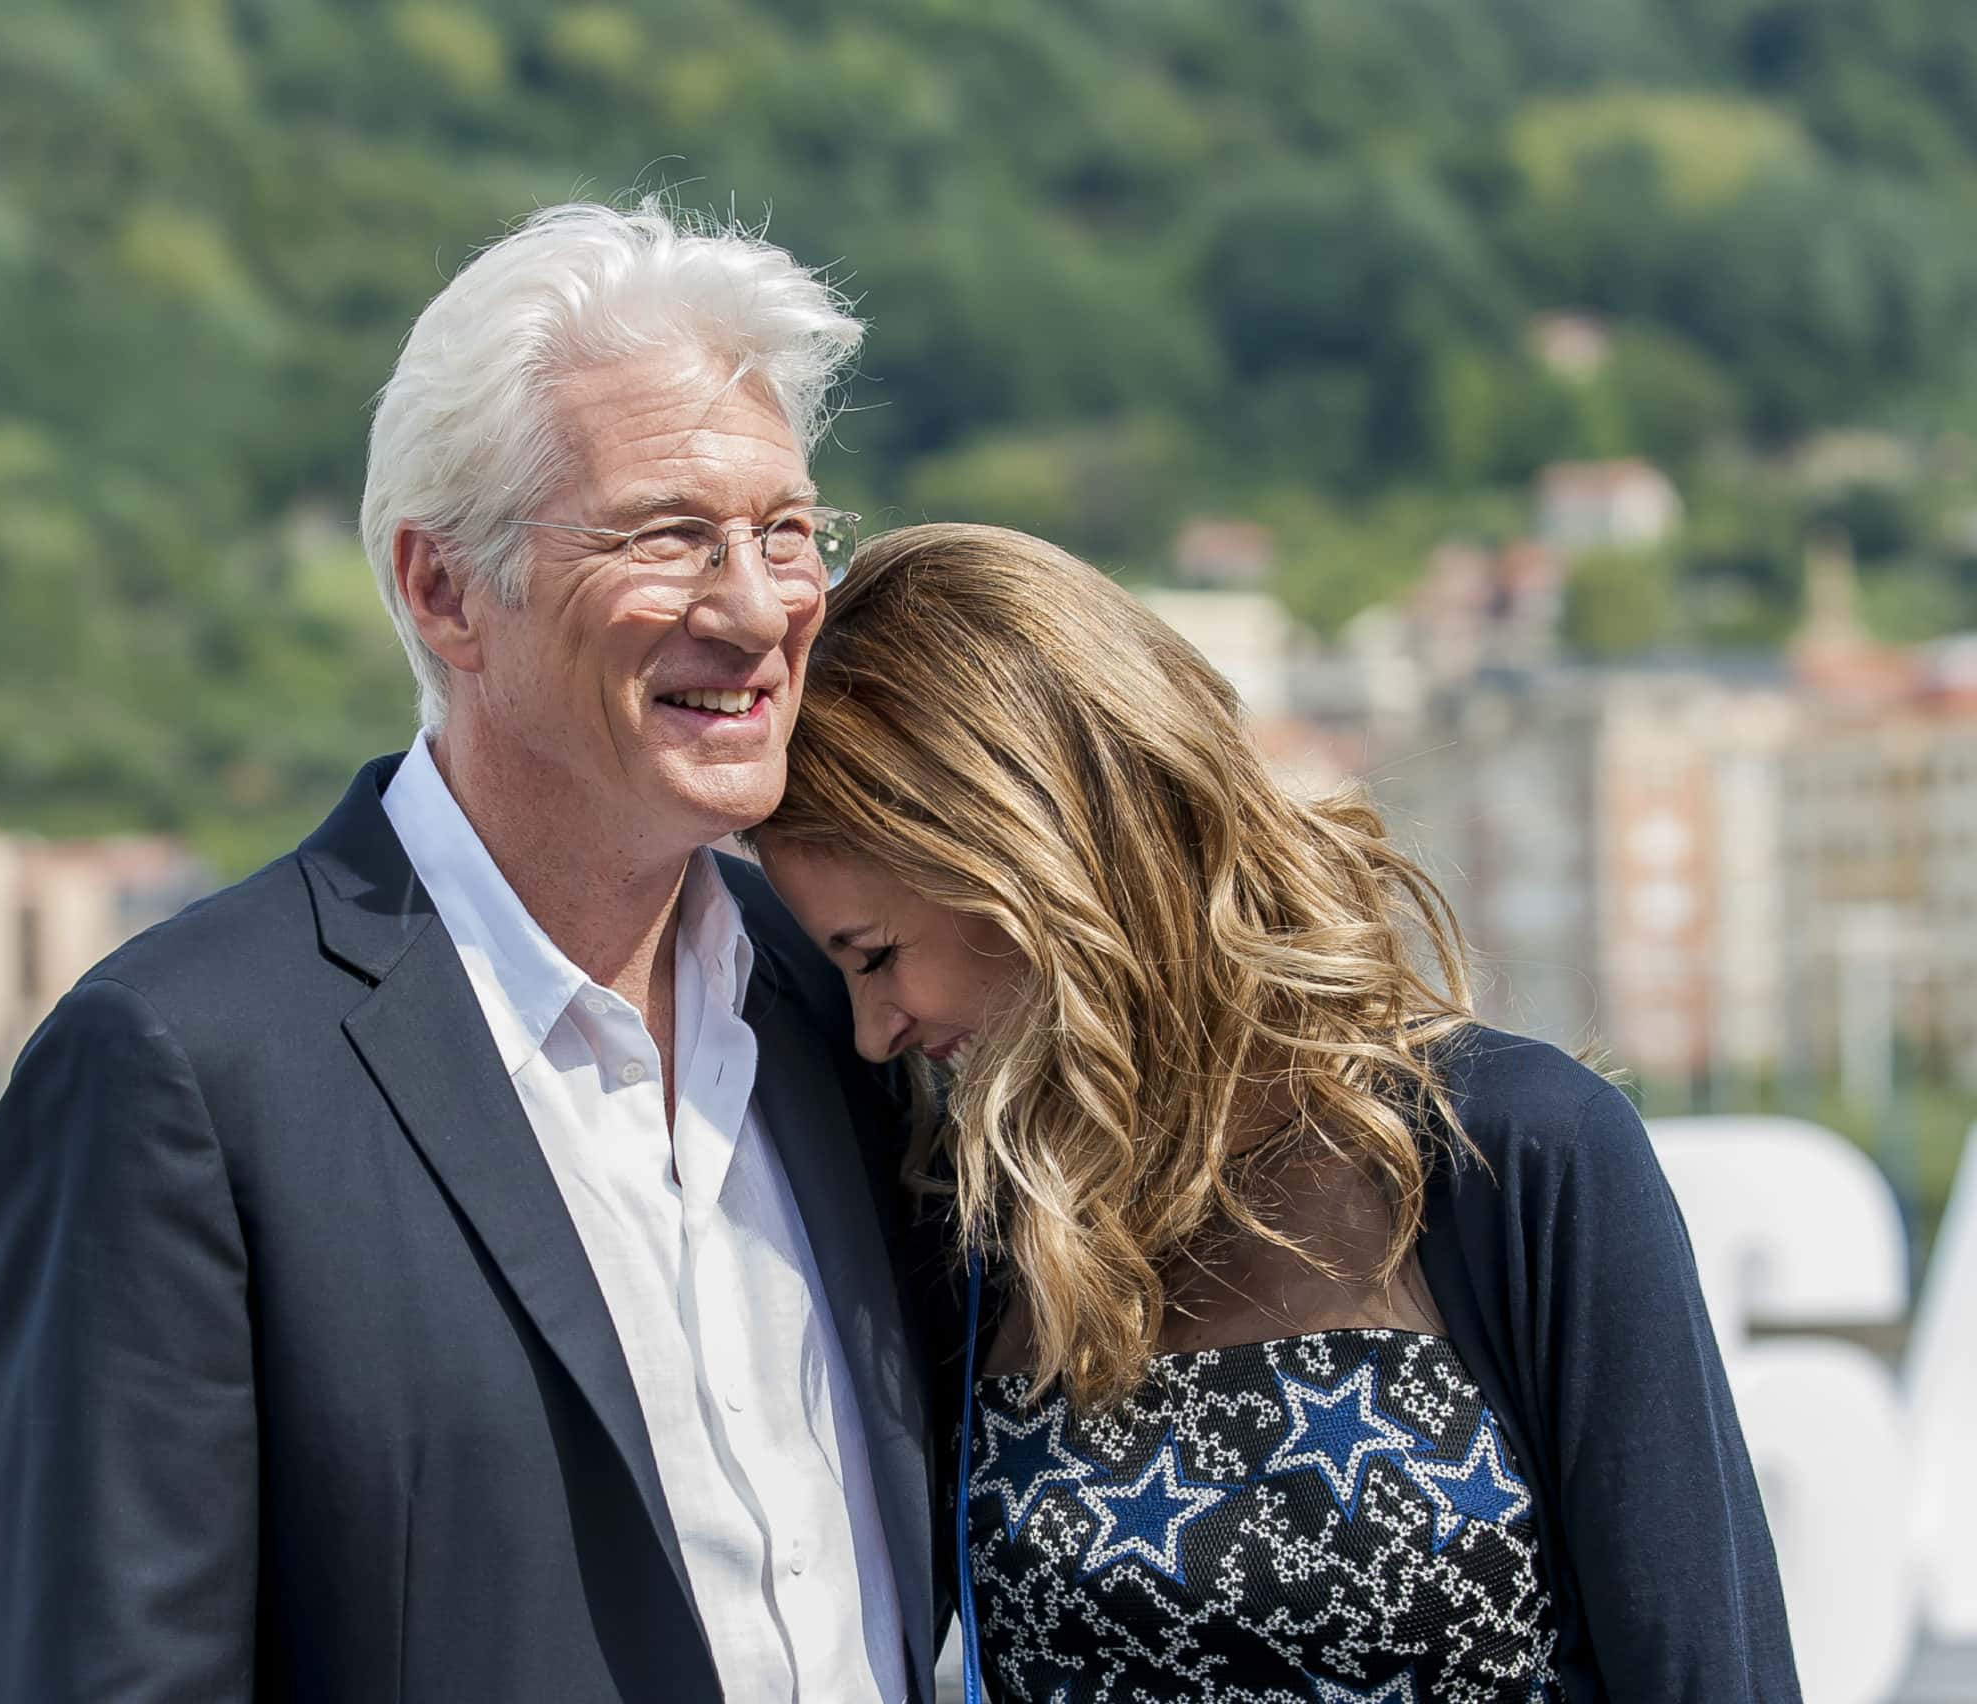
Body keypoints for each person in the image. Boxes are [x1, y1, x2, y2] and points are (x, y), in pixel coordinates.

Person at [0, 203, 943, 1702]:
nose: (759, 607)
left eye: (785, 531)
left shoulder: (847, 1002)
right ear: (442, 592)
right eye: (670, 535)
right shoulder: (181, 1073)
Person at [755, 523, 1802, 1703]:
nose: (873, 1030)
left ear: (1029, 861)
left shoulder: (1511, 1152)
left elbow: (1707, 1672)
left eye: (874, 954)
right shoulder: (973, 1223)